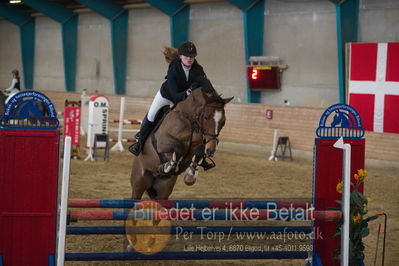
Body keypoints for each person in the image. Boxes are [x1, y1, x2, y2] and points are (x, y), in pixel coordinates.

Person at [129, 41, 206, 156]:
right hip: (167, 96)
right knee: (151, 115)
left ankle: (202, 151)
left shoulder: (198, 69)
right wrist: (189, 91)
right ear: (180, 56)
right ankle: (139, 142)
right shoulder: (173, 69)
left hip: (185, 100)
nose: (190, 59)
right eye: (187, 56)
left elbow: (204, 86)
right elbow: (175, 95)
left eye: (192, 56)